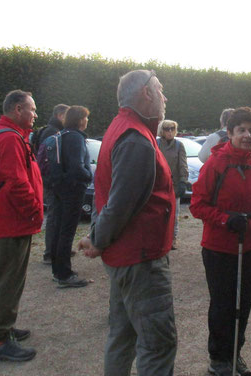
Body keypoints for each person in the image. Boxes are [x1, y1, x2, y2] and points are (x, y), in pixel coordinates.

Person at [77, 69, 177, 376]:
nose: (165, 97)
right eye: (160, 90)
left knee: (123, 335)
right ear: (146, 93)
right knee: (157, 344)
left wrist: (98, 237)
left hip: (127, 257)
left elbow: (105, 194)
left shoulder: (122, 128)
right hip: (140, 259)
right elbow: (120, 205)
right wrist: (97, 239)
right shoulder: (136, 139)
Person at [190, 107, 251, 376]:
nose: (248, 135)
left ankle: (235, 353)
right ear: (229, 133)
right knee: (223, 305)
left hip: (249, 246)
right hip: (219, 248)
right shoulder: (216, 163)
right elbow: (197, 205)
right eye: (241, 130)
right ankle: (219, 359)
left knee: (244, 303)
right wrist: (226, 220)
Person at [0, 90, 43, 361]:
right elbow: (17, 183)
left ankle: (1, 328)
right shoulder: (8, 139)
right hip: (10, 223)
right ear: (18, 109)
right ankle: (0, 340)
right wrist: (34, 211)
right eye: (32, 109)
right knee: (7, 281)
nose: (35, 115)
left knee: (5, 280)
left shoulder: (10, 136)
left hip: (8, 222)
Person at [46, 105, 93, 288]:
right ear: (80, 119)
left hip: (59, 186)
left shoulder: (62, 135)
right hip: (73, 189)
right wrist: (88, 176)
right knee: (67, 230)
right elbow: (77, 166)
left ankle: (58, 270)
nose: (87, 120)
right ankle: (65, 274)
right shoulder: (75, 137)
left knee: (59, 228)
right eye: (85, 117)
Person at [34, 104, 70, 264]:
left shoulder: (46, 130)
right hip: (52, 182)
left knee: (58, 215)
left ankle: (57, 248)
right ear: (60, 115)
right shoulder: (52, 132)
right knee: (54, 216)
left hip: (49, 180)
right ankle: (50, 253)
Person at [157, 119, 188, 250]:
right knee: (158, 213)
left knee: (174, 214)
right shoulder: (156, 144)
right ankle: (160, 239)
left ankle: (173, 238)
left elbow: (183, 165)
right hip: (158, 184)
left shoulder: (179, 145)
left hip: (174, 185)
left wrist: (183, 181)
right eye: (166, 129)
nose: (169, 131)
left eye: (172, 128)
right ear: (162, 131)